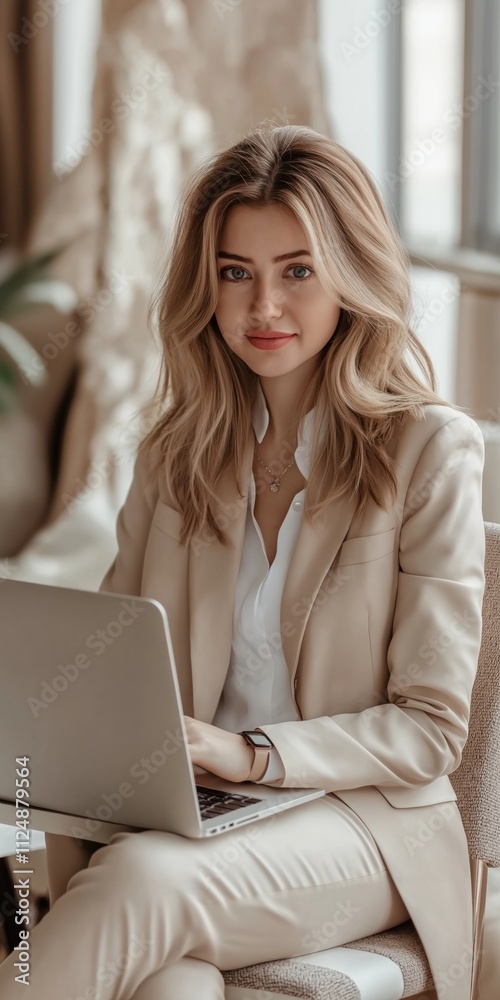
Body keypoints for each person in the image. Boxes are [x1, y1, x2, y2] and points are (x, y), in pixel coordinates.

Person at [0, 124, 485, 999]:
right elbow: (115, 676)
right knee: (170, 984)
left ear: (350, 271)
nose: (263, 308)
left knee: (142, 887)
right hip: (188, 822)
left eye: (297, 270)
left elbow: (431, 730)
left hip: (362, 827)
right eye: (236, 272)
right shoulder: (175, 454)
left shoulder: (428, 450)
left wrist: (252, 754)